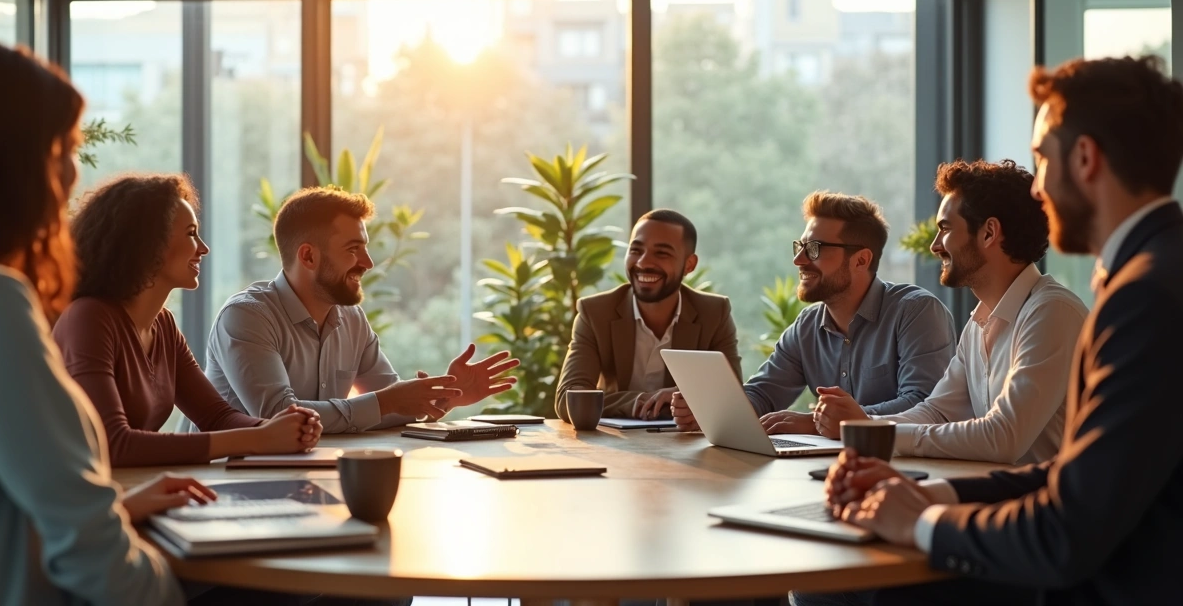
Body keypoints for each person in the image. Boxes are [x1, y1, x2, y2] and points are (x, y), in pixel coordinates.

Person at [805, 55, 1183, 605]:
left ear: (1084, 158)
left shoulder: (1145, 296)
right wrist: (930, 493)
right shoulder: (1154, 275)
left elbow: (1068, 528)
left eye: (1042, 159)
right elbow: (1077, 474)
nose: (1037, 190)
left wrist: (922, 522)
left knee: (861, 587)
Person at [0, 43, 204, 605]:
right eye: (65, 150)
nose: (75, 173)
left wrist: (118, 505)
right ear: (16, 164)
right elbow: (86, 547)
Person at [810, 159, 1087, 465]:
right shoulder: (980, 323)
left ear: (989, 233)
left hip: (1044, 494)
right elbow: (937, 412)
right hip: (995, 488)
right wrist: (861, 427)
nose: (935, 245)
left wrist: (875, 432)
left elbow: (1004, 437)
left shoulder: (1052, 313)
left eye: (945, 229)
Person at [53, 174, 321, 467]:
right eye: (191, 233)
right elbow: (113, 444)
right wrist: (259, 438)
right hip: (81, 494)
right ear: (148, 243)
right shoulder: (89, 318)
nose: (203, 248)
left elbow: (216, 416)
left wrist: (280, 428)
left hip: (139, 487)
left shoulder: (163, 325)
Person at [200, 187, 518, 432]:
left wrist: (442, 396)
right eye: (353, 250)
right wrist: (387, 401)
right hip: (226, 483)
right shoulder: (246, 317)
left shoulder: (351, 320)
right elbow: (279, 416)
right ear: (308, 257)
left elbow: (389, 406)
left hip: (308, 475)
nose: (368, 263)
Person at [671, 191, 955, 435]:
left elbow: (924, 405)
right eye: (800, 247)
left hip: (904, 469)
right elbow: (762, 393)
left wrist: (821, 422)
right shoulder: (806, 326)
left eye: (814, 249)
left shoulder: (916, 311)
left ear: (860, 260)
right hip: (827, 468)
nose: (799, 260)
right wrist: (711, 409)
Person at [555, 209, 740, 422]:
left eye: (661, 253)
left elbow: (732, 396)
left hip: (685, 439)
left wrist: (686, 399)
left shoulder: (714, 313)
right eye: (636, 250)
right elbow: (569, 397)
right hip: (614, 440)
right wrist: (640, 402)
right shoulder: (596, 312)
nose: (643, 263)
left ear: (689, 265)